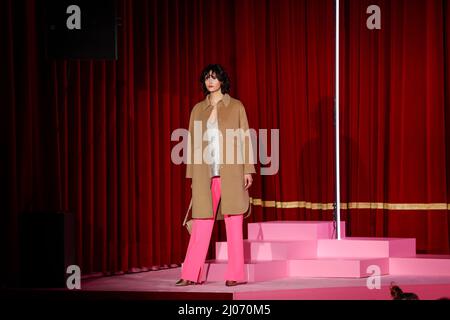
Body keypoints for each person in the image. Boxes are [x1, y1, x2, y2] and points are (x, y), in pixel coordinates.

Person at [176, 64, 256, 287]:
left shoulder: (236, 106)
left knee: (234, 223)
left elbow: (244, 138)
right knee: (201, 223)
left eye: (214, 77)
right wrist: (192, 176)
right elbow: (192, 144)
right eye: (207, 78)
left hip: (231, 172)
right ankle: (190, 273)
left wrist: (248, 169)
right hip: (205, 174)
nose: (210, 81)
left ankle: (235, 274)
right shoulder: (197, 110)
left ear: (222, 80)